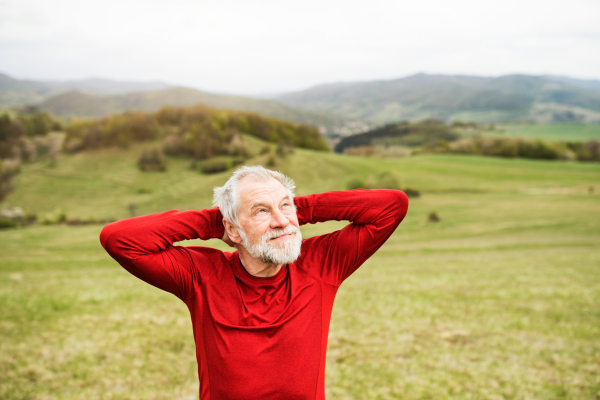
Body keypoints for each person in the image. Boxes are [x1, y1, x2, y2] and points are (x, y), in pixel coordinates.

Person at [100, 165, 409, 400]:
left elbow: (391, 206)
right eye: (261, 211)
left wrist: (297, 209)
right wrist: (213, 223)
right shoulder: (201, 275)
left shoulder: (321, 265)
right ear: (233, 231)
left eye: (285, 206)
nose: (281, 221)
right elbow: (119, 240)